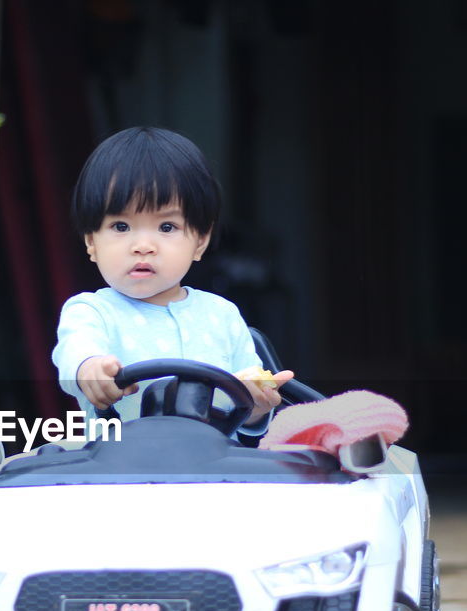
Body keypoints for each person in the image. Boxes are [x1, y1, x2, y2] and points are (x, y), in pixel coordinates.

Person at [51, 126, 293, 434]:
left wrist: (258, 403)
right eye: (121, 226)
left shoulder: (222, 316)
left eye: (166, 227)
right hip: (115, 471)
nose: (143, 246)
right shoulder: (90, 312)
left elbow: (246, 417)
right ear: (91, 243)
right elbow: (77, 353)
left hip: (211, 470)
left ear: (200, 242)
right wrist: (91, 370)